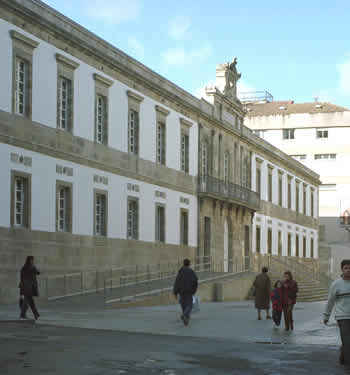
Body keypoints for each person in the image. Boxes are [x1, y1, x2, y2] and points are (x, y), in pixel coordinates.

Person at [324, 259, 350, 367]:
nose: (348, 270)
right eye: (346, 268)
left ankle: (343, 358)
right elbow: (330, 301)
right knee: (347, 340)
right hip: (342, 317)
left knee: (347, 342)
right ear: (342, 269)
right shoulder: (336, 284)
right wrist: (326, 315)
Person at [173, 258, 198, 326]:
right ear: (189, 264)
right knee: (189, 305)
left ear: (183, 263)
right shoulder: (191, 272)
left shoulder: (180, 272)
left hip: (181, 292)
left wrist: (175, 292)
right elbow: (195, 281)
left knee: (183, 306)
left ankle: (186, 321)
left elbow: (177, 282)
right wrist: (194, 290)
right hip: (189, 292)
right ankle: (184, 315)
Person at [19, 256, 40, 320]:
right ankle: (23, 314)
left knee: (31, 302)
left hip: (25, 287)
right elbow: (38, 272)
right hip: (29, 288)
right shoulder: (32, 267)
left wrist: (21, 287)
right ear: (30, 260)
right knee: (27, 302)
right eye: (32, 260)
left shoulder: (24, 268)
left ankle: (36, 314)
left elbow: (21, 278)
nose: (33, 261)